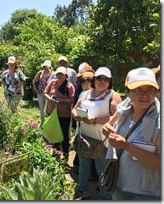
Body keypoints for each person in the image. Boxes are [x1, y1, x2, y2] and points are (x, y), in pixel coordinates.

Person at [103, 67, 160, 200]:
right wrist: (106, 128)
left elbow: (159, 163)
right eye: (138, 90)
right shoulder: (125, 106)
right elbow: (109, 124)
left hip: (145, 193)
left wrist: (126, 146)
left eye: (150, 90)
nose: (145, 95)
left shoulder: (159, 120)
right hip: (118, 183)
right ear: (127, 92)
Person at [71, 67, 122, 200]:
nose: (102, 81)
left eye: (106, 79)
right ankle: (82, 189)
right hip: (84, 137)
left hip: (102, 141)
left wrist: (95, 120)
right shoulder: (86, 93)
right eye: (99, 78)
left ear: (110, 81)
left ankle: (104, 197)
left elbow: (116, 117)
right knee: (83, 166)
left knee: (102, 171)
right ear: (94, 79)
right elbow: (75, 109)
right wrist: (77, 116)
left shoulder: (113, 95)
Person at [44, 66, 75, 161]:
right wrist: (50, 98)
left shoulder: (69, 86)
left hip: (64, 114)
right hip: (53, 112)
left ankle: (65, 154)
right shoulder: (52, 82)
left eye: (62, 74)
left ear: (66, 75)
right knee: (54, 132)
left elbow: (71, 99)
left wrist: (60, 100)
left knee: (64, 134)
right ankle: (56, 152)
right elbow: (45, 92)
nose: (60, 76)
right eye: (58, 74)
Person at [32, 60, 53, 124]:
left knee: (47, 109)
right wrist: (35, 88)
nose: (44, 68)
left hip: (48, 94)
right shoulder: (40, 72)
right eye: (44, 66)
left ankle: (47, 122)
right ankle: (42, 122)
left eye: (46, 66)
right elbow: (34, 80)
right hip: (40, 92)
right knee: (41, 108)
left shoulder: (52, 74)